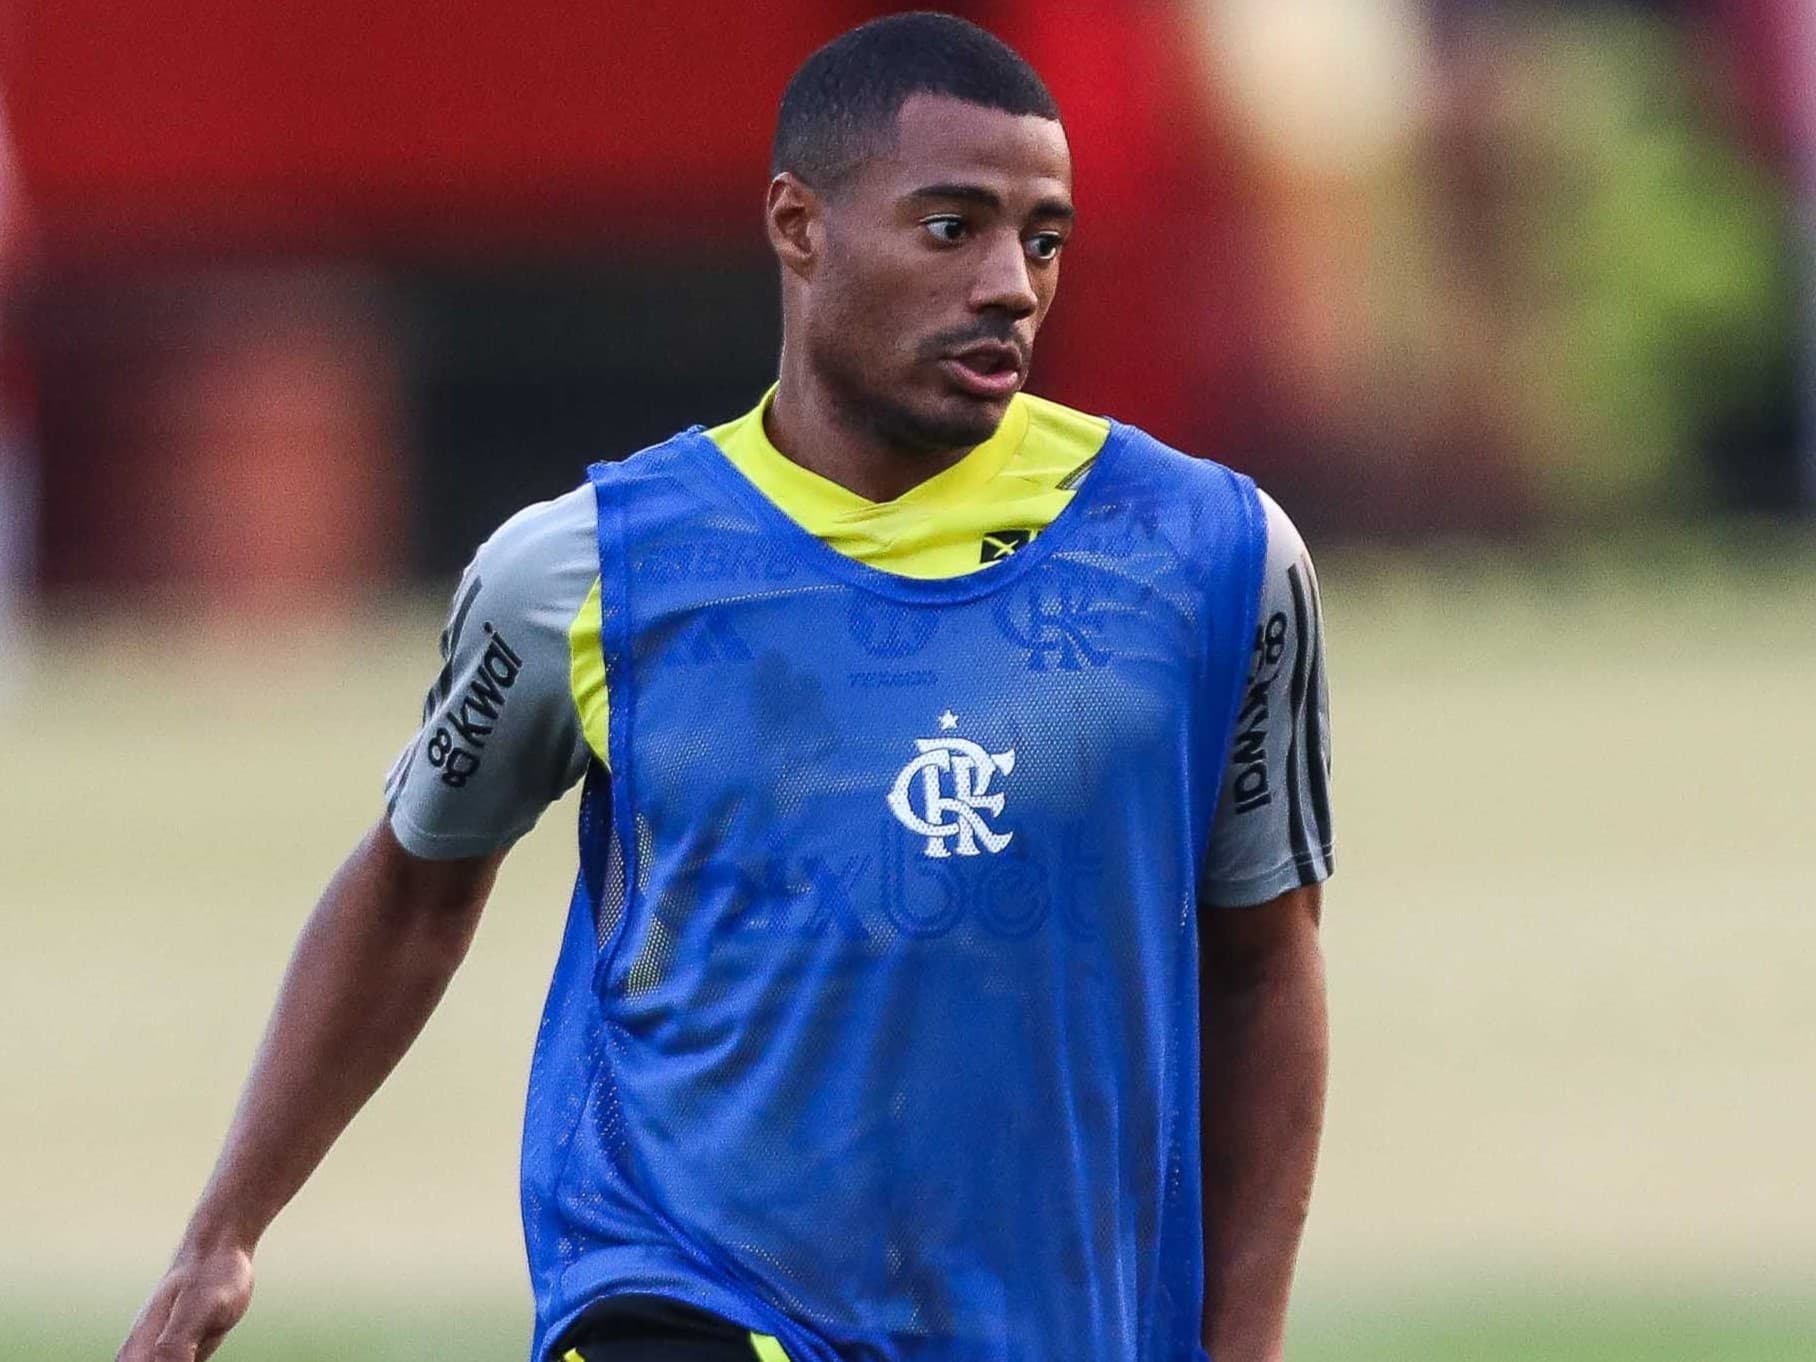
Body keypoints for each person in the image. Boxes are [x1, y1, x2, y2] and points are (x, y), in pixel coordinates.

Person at [118, 14, 1332, 1362]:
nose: (1011, 285)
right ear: (798, 225)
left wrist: (1246, 1338)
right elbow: (413, 887)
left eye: (1042, 238)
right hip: (684, 1296)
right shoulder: (585, 572)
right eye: (953, 228)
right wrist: (223, 1231)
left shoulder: (1211, 560)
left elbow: (1264, 965)